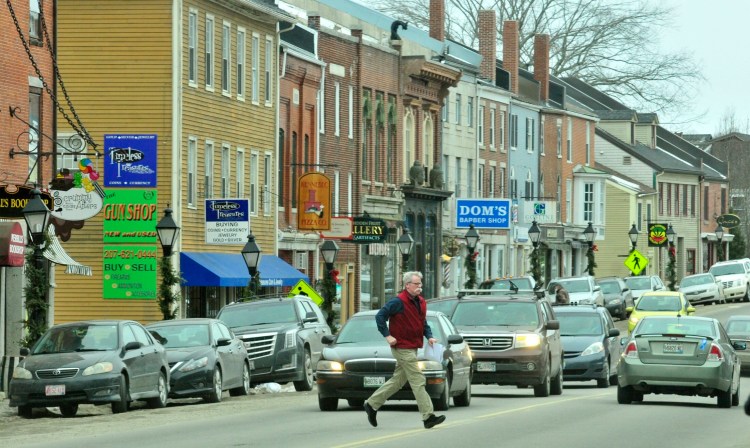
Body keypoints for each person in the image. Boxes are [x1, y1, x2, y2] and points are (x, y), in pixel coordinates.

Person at [363, 271, 446, 430]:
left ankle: (372, 404)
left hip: (413, 346)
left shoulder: (421, 301)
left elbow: (423, 323)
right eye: (416, 284)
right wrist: (387, 336)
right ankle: (428, 416)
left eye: (420, 284)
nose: (419, 287)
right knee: (418, 379)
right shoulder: (398, 301)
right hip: (401, 347)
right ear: (407, 285)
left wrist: (429, 336)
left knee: (398, 381)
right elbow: (380, 316)